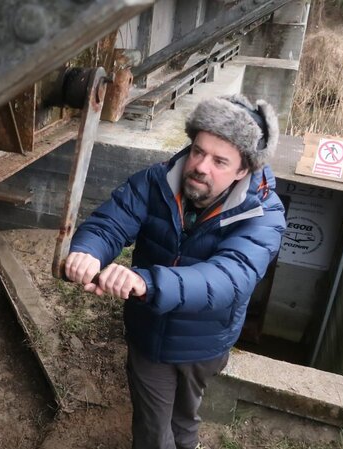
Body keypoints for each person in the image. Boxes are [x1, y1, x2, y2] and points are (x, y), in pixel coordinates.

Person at [64, 94, 286, 449]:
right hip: (149, 334)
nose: (200, 166)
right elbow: (111, 223)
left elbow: (227, 279)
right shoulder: (155, 182)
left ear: (243, 170)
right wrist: (88, 251)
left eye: (219, 161)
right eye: (198, 151)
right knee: (153, 432)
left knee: (185, 416)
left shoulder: (263, 216)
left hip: (205, 342)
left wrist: (145, 281)